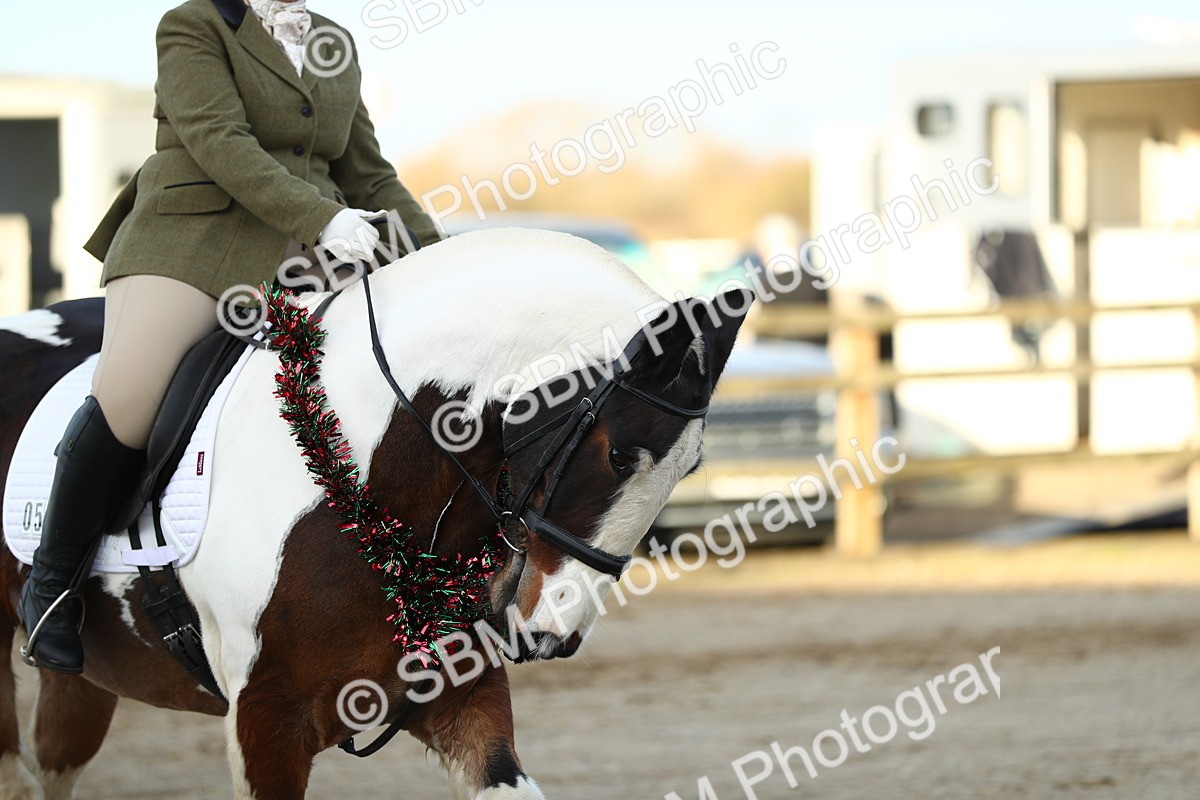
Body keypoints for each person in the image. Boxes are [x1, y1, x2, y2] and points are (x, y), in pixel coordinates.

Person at [18, 0, 441, 674]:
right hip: (195, 241)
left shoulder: (333, 41)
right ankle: (51, 586)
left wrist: (435, 255)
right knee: (132, 397)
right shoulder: (193, 24)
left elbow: (368, 169)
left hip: (305, 253)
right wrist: (325, 218)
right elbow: (219, 139)